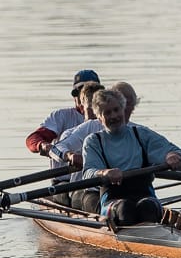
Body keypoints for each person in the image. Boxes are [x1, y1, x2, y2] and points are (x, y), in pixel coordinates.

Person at [81, 87, 181, 231]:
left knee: (148, 207)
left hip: (145, 195)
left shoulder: (141, 135)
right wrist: (104, 173)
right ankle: (136, 239)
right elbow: (88, 173)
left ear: (123, 109)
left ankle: (150, 239)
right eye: (107, 112)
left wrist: (174, 157)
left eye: (116, 110)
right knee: (125, 209)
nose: (114, 116)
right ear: (99, 118)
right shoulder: (94, 141)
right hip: (112, 199)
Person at [52, 80, 138, 213]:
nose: (120, 114)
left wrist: (170, 157)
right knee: (121, 209)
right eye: (120, 106)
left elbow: (165, 151)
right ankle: (112, 216)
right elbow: (56, 148)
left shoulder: (139, 132)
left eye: (129, 106)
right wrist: (70, 156)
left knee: (145, 206)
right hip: (87, 189)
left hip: (125, 191)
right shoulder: (90, 128)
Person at [26, 70, 100, 167]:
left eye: (91, 92)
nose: (85, 96)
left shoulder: (108, 117)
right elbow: (33, 139)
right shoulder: (61, 116)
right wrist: (43, 146)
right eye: (81, 91)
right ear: (75, 95)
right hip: (64, 175)